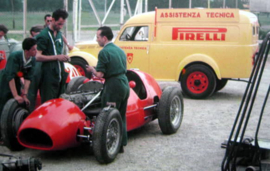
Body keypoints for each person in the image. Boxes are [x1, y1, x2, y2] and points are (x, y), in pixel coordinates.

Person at [86, 26, 130, 153]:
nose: (97, 40)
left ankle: (108, 146)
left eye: (98, 37)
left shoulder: (104, 52)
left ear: (104, 38)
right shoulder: (120, 50)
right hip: (124, 83)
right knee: (120, 115)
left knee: (108, 116)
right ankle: (120, 144)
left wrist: (92, 70)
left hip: (113, 86)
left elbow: (99, 75)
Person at [30, 9, 70, 105]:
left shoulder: (59, 34)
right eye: (59, 24)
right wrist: (56, 57)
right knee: (48, 104)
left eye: (62, 24)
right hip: (48, 76)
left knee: (59, 103)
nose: (60, 26)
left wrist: (64, 57)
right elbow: (38, 57)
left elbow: (58, 52)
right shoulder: (43, 35)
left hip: (59, 74)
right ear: (52, 20)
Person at [0, 38, 37, 141]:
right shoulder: (15, 56)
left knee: (17, 102)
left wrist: (24, 95)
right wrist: (16, 95)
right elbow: (10, 77)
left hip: (16, 80)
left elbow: (28, 78)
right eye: (34, 49)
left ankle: (9, 131)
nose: (36, 51)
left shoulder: (32, 59)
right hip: (5, 80)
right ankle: (1, 135)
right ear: (26, 51)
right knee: (4, 103)